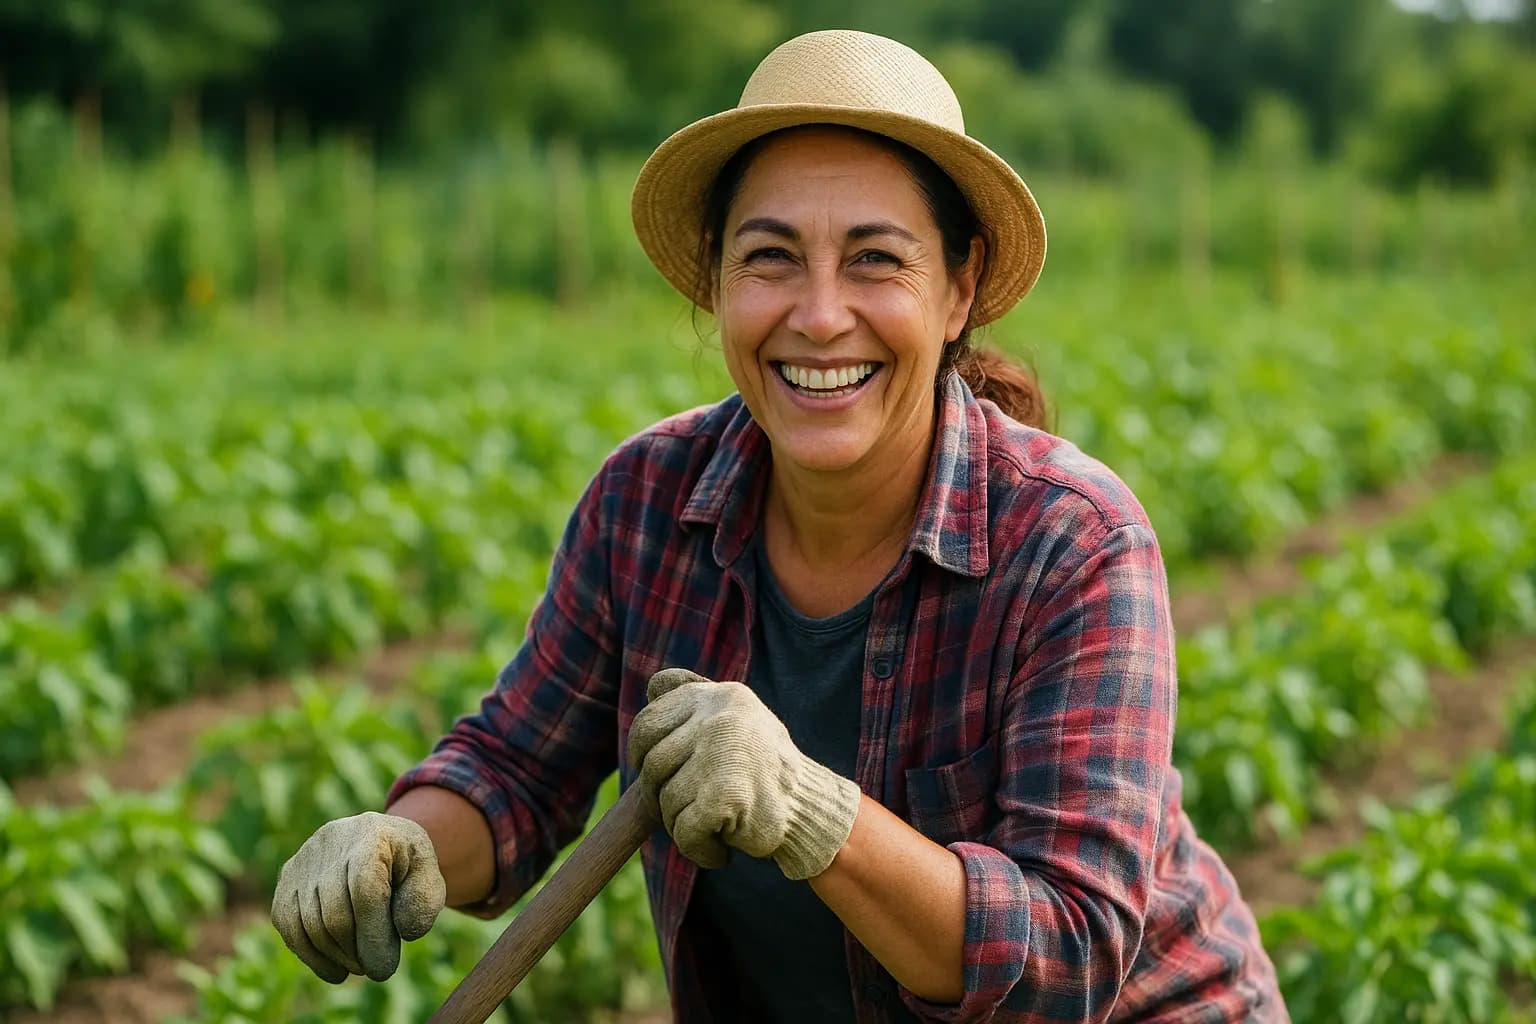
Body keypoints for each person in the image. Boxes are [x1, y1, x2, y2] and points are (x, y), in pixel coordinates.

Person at [271, 29, 1289, 1023]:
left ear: (959, 288)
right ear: (716, 280)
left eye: (876, 260)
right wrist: (398, 841)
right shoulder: (646, 504)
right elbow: (518, 772)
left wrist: (812, 811)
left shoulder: (1072, 543)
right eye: (771, 258)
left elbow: (1068, 959)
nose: (817, 314)